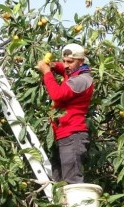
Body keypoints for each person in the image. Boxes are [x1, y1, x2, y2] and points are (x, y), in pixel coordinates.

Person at [36, 43, 94, 184]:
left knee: (72, 182)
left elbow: (57, 95)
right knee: (59, 182)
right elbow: (63, 68)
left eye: (70, 62)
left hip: (72, 135)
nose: (66, 65)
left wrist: (47, 72)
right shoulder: (72, 73)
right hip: (62, 136)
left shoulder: (81, 80)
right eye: (64, 61)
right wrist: (54, 65)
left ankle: (76, 206)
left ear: (81, 62)